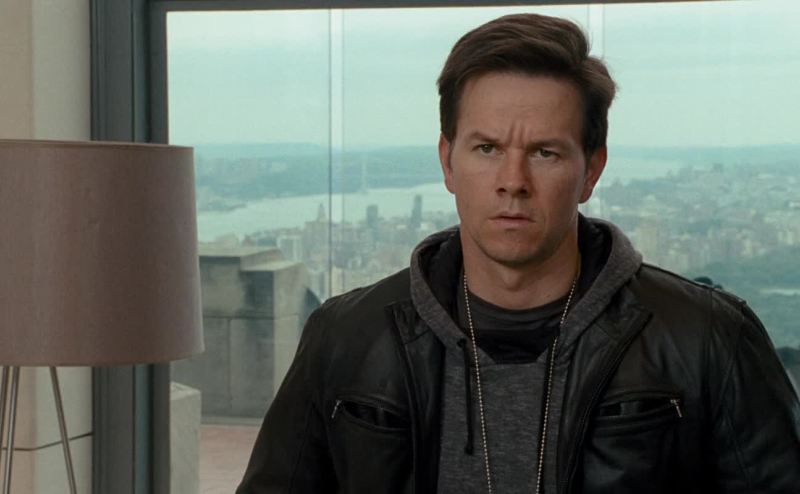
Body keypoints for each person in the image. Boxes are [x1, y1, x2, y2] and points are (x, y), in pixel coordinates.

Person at [237, 13, 800, 493]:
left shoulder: (708, 338)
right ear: (448, 161)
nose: (513, 181)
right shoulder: (346, 337)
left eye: (545, 153)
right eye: (487, 148)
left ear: (592, 170)